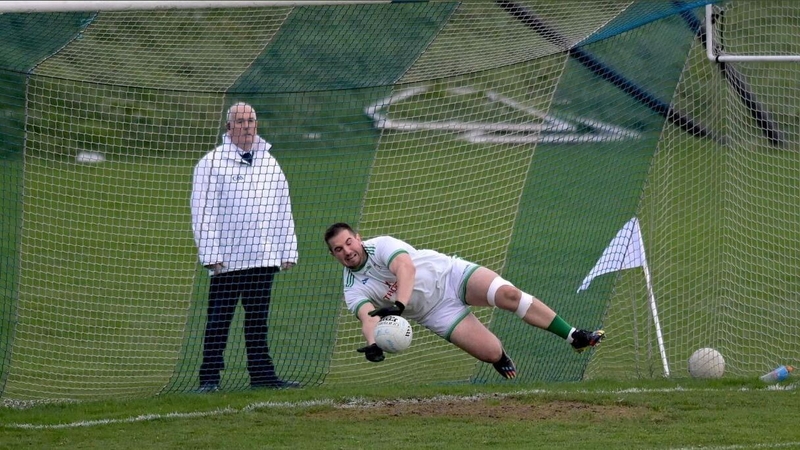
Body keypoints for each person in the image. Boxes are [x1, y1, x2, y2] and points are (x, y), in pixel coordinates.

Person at [323, 222, 604, 379]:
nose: (347, 251)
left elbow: (405, 269)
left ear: (358, 238)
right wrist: (373, 344)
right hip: (435, 313)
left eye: (349, 242)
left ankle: (575, 336)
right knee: (491, 353)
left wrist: (399, 304)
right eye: (338, 249)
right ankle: (500, 356)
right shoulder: (352, 288)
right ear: (334, 255)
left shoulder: (381, 245)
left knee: (509, 295)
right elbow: (367, 316)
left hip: (451, 275)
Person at [191, 102, 299, 391]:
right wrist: (211, 255)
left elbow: (282, 209)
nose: (246, 126)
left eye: (250, 120)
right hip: (227, 261)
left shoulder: (270, 162)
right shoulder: (211, 164)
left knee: (257, 323)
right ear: (228, 127)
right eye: (239, 121)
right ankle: (209, 379)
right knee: (218, 322)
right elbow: (203, 213)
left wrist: (287, 250)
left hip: (263, 258)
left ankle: (262, 376)